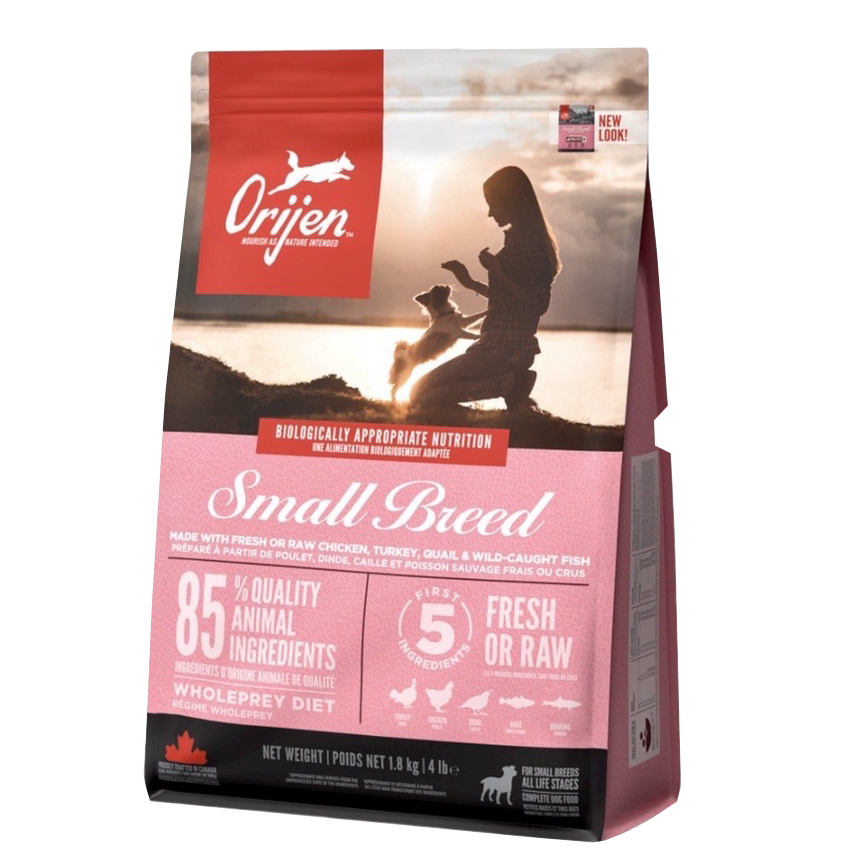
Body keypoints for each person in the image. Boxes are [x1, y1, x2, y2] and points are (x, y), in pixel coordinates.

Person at [410, 166, 561, 411]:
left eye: (494, 204)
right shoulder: (518, 240)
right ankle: (509, 384)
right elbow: (507, 301)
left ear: (512, 201)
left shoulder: (530, 245)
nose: (490, 213)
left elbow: (537, 304)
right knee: (420, 395)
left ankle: (509, 385)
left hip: (506, 350)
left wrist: (497, 271)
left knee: (419, 397)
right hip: (493, 346)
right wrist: (469, 282)